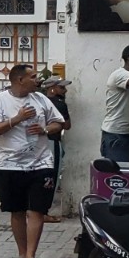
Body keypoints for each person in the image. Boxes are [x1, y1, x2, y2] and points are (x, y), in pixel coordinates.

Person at [0, 64, 63, 258]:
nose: (37, 80)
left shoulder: (41, 99)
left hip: (41, 162)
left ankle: (31, 257)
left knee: (37, 209)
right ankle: (21, 253)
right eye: (33, 77)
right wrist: (17, 119)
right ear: (19, 80)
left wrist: (45, 129)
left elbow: (59, 123)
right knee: (17, 210)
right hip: (10, 164)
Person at [42, 76, 70, 221]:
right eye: (62, 87)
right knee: (52, 176)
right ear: (52, 88)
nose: (65, 90)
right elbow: (67, 125)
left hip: (38, 143)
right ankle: (44, 211)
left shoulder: (39, 102)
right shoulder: (59, 104)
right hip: (52, 142)